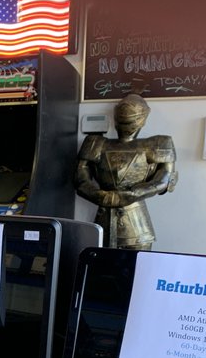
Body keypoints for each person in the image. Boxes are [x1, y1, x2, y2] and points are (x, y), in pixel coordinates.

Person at [75, 94, 177, 250]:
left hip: (136, 220)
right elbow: (80, 178)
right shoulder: (95, 142)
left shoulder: (159, 143)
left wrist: (135, 193)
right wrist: (99, 195)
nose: (126, 125)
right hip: (104, 215)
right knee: (101, 261)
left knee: (137, 262)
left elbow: (165, 179)